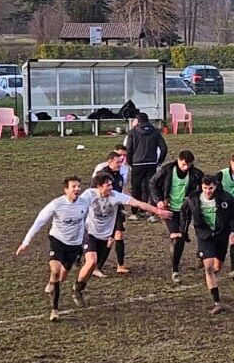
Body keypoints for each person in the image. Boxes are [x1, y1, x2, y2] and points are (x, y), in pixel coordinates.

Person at [72, 173, 169, 306]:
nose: (111, 187)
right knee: (91, 261)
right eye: (108, 185)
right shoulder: (90, 194)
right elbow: (76, 205)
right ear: (99, 187)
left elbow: (138, 203)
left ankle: (80, 286)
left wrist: (158, 211)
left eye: (111, 184)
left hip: (104, 236)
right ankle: (77, 290)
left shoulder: (115, 196)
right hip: (90, 233)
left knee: (93, 265)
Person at [16, 176, 90, 322]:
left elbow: (85, 222)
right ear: (66, 190)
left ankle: (52, 283)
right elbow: (40, 221)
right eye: (73, 186)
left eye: (78, 186)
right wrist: (26, 242)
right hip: (58, 241)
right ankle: (54, 310)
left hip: (74, 245)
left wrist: (82, 243)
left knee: (62, 275)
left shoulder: (84, 204)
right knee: (55, 271)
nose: (77, 189)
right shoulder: (56, 204)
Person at [181, 175, 234, 315]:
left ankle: (211, 273)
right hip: (205, 235)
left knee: (217, 266)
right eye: (205, 188)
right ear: (201, 187)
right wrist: (183, 231)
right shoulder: (193, 199)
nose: (208, 191)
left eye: (210, 188)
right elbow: (184, 213)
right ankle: (217, 302)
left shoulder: (225, 198)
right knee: (208, 267)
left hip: (221, 235)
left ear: (215, 187)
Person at [149, 149, 204, 282]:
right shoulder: (167, 170)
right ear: (178, 160)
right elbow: (152, 183)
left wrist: (194, 199)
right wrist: (159, 200)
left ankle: (197, 255)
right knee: (176, 237)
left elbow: (205, 185)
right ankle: (175, 270)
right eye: (184, 164)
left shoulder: (196, 174)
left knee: (183, 236)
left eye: (189, 165)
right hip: (169, 209)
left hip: (185, 211)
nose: (186, 168)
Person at [91, 148, 131, 276]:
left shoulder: (118, 176)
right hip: (102, 211)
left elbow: (118, 195)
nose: (120, 165)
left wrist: (121, 209)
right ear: (110, 162)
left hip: (116, 210)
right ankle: (95, 265)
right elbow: (93, 193)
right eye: (118, 162)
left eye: (121, 162)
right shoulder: (101, 176)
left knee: (117, 235)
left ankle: (120, 265)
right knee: (105, 238)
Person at [125, 112, 168, 221]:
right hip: (151, 164)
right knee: (151, 187)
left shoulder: (133, 132)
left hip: (137, 164)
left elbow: (129, 149)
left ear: (138, 120)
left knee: (136, 188)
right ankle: (153, 214)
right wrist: (159, 161)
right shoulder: (155, 131)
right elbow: (164, 148)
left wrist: (130, 162)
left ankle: (135, 213)